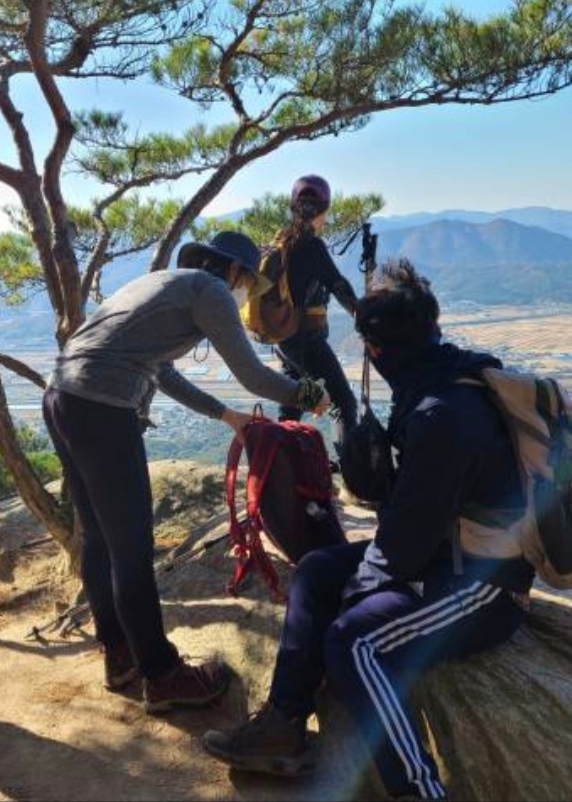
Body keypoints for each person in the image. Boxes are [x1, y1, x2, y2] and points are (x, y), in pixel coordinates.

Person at [202, 258, 534, 800]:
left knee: (353, 642)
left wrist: (361, 586)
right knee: (317, 570)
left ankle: (418, 791)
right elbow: (419, 518)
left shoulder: (441, 413)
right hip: (446, 555)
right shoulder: (439, 379)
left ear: (377, 352)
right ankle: (283, 724)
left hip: (484, 586)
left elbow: (404, 546)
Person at [42, 230, 330, 714]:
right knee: (131, 548)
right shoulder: (210, 291)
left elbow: (163, 373)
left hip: (61, 397)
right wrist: (306, 394)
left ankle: (120, 655)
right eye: (248, 284)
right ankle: (162, 675)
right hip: (102, 407)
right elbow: (253, 375)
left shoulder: (165, 284)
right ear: (235, 272)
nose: (246, 295)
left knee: (97, 538)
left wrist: (226, 415)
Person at [271, 175, 359, 444]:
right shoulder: (311, 245)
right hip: (306, 343)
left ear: (292, 207)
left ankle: (278, 461)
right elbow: (338, 284)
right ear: (324, 211)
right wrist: (362, 315)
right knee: (343, 403)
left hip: (283, 340)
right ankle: (351, 468)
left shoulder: (281, 240)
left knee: (293, 403)